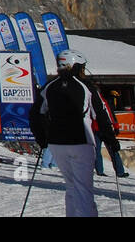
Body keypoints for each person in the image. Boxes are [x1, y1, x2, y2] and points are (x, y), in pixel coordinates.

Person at [30, 49, 112, 217]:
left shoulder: (49, 86)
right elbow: (101, 114)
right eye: (82, 67)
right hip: (81, 141)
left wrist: (42, 138)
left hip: (57, 143)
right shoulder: (86, 86)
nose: (83, 70)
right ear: (75, 65)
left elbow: (35, 113)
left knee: (72, 186)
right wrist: (111, 140)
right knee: (83, 189)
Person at [90, 81, 129, 178]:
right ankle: (101, 171)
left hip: (104, 128)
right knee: (98, 151)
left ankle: (119, 171)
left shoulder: (104, 102)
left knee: (112, 150)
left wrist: (115, 126)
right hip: (97, 129)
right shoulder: (93, 102)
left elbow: (110, 115)